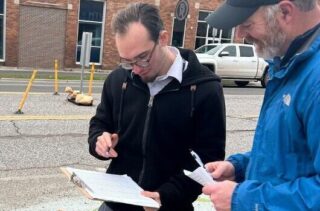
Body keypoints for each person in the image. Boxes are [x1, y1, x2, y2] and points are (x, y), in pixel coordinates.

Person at [88, 3, 226, 211]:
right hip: (117, 204)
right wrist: (100, 140)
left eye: (142, 58)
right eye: (126, 61)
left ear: (162, 38)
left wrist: (166, 195)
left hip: (171, 205)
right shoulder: (118, 80)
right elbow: (99, 124)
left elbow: (209, 161)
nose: (135, 69)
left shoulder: (205, 89)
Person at [202, 0, 320, 210]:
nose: (239, 35)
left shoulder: (314, 78)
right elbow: (291, 152)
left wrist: (242, 198)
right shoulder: (289, 62)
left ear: (284, 12)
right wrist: (238, 167)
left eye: (246, 24)